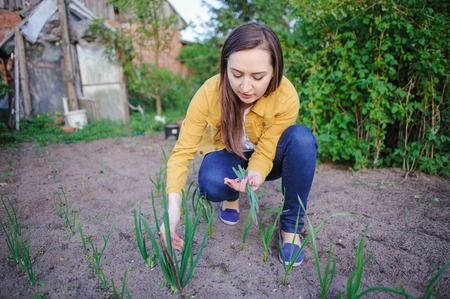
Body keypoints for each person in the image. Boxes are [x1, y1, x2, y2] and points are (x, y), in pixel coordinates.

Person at [161, 22, 317, 266]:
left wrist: (254, 174)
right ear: (225, 66)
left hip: (268, 158)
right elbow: (183, 151)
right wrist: (173, 210)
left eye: (257, 77)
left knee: (302, 140)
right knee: (212, 182)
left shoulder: (286, 96)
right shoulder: (210, 92)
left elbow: (267, 149)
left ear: (274, 71)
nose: (245, 87)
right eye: (236, 74)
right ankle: (230, 195)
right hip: (231, 154)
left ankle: (291, 229)